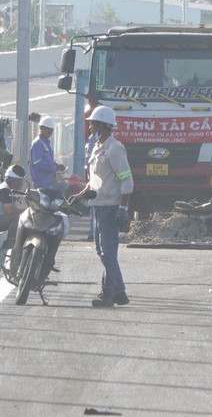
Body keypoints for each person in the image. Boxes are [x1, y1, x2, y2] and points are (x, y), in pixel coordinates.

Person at [81, 105, 133, 308]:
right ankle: (119, 292)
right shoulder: (96, 147)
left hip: (110, 207)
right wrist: (83, 191)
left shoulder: (115, 149)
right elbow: (95, 178)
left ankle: (108, 294)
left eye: (93, 123)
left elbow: (126, 181)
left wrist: (123, 208)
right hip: (97, 206)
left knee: (108, 252)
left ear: (103, 126)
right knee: (100, 250)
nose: (90, 126)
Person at [0, 163, 29, 244]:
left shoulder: (9, 189)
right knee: (18, 217)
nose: (22, 184)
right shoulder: (4, 190)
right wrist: (27, 211)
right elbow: (10, 210)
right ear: (14, 181)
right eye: (20, 181)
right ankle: (11, 240)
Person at [29, 117, 65, 192]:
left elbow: (49, 161)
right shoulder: (38, 143)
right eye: (47, 129)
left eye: (51, 129)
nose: (50, 131)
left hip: (49, 182)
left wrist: (57, 166)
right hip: (41, 183)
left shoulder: (47, 143)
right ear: (41, 128)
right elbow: (38, 162)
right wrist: (55, 168)